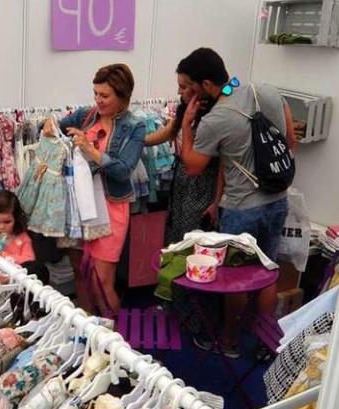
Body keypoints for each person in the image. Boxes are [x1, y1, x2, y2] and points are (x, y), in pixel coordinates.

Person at [177, 47, 297, 358]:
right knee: (268, 272)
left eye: (189, 86)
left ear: (205, 84)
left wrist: (188, 125)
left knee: (236, 280)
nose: (186, 93)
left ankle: (229, 341)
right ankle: (264, 342)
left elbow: (193, 166)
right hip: (278, 200)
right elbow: (290, 143)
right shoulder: (265, 91)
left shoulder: (215, 120)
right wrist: (218, 199)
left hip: (242, 209)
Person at [58, 63, 146, 317]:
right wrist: (49, 128)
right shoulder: (86, 115)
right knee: (82, 272)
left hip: (111, 207)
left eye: (104, 95)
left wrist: (90, 150)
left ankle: (112, 344)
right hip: (79, 205)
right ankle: (86, 336)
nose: (98, 100)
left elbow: (122, 170)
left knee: (101, 279)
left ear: (123, 95)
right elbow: (56, 126)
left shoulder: (134, 127)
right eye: (95, 93)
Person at [145, 67, 223, 245]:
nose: (179, 91)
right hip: (182, 184)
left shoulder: (212, 119)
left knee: (193, 239)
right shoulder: (185, 110)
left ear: (199, 87)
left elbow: (215, 166)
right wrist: (135, 140)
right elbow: (166, 132)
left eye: (184, 87)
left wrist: (217, 201)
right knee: (175, 237)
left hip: (202, 188)